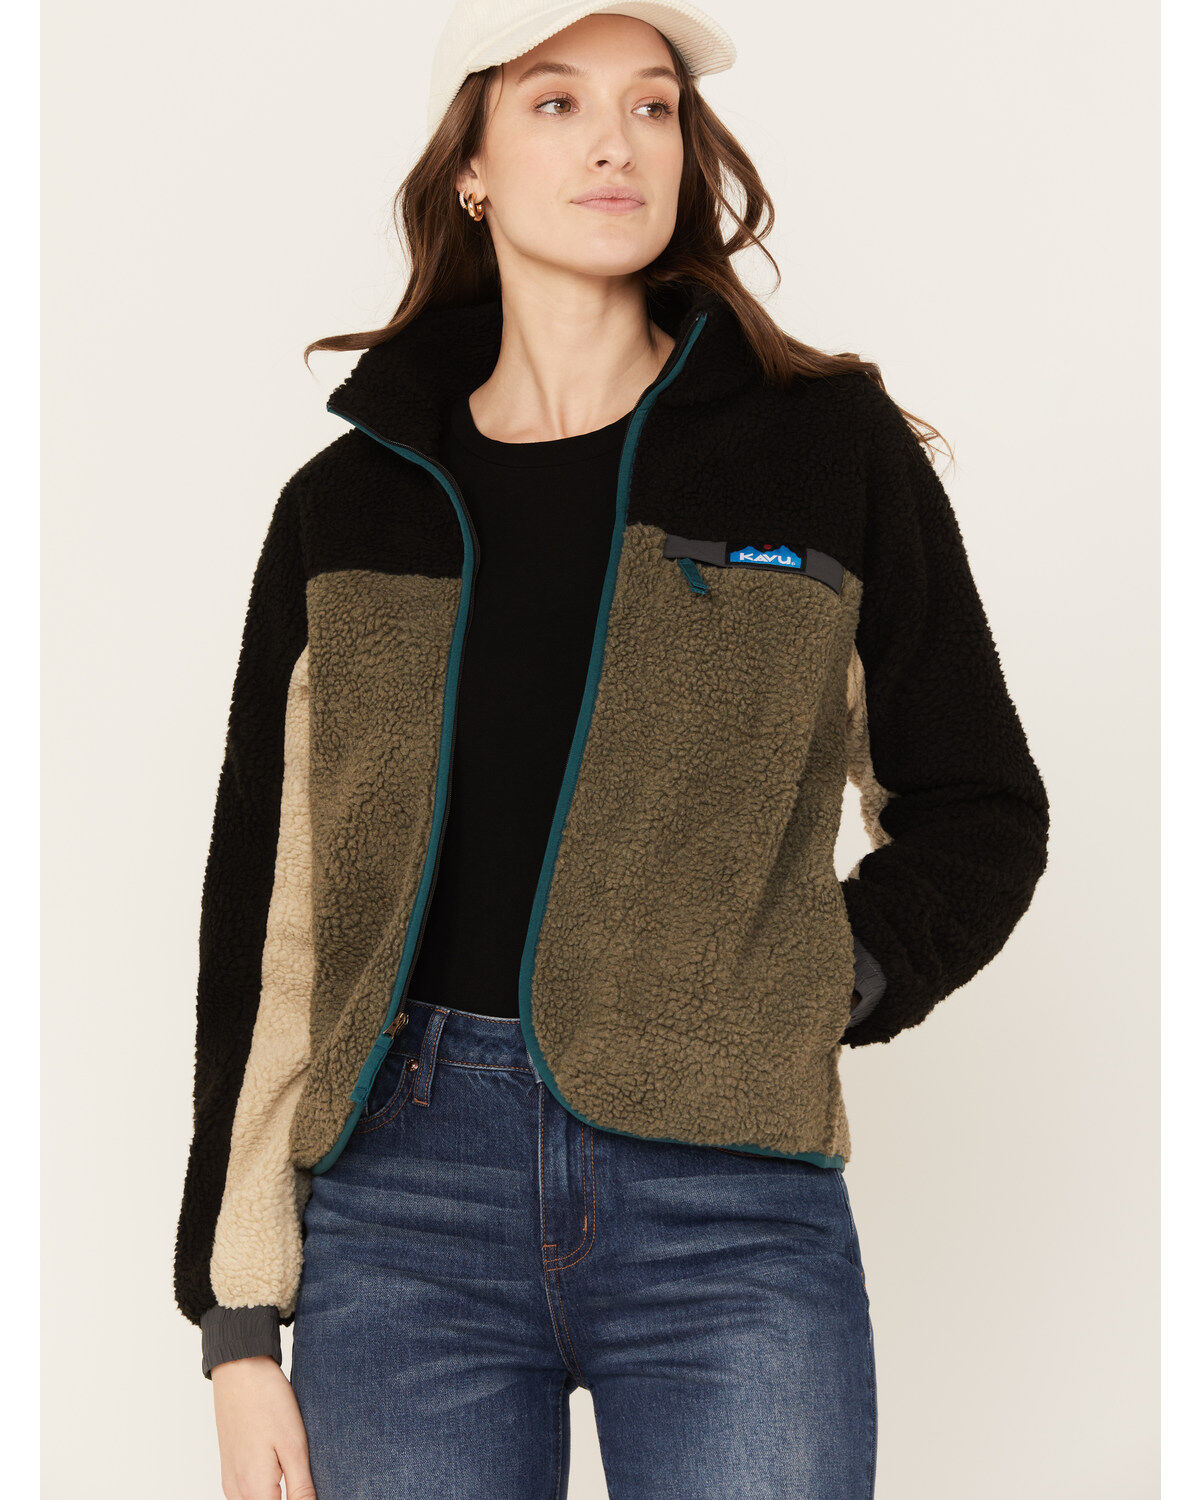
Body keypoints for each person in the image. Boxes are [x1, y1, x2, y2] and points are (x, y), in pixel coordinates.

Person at [173, 2, 1051, 1495]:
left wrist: (802, 986)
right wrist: (238, 1318)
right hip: (403, 1207)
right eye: (556, 102)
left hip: (728, 1206)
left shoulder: (822, 448)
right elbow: (274, 915)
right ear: (469, 165)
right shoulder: (350, 503)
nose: (617, 144)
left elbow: (977, 806)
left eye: (653, 107)